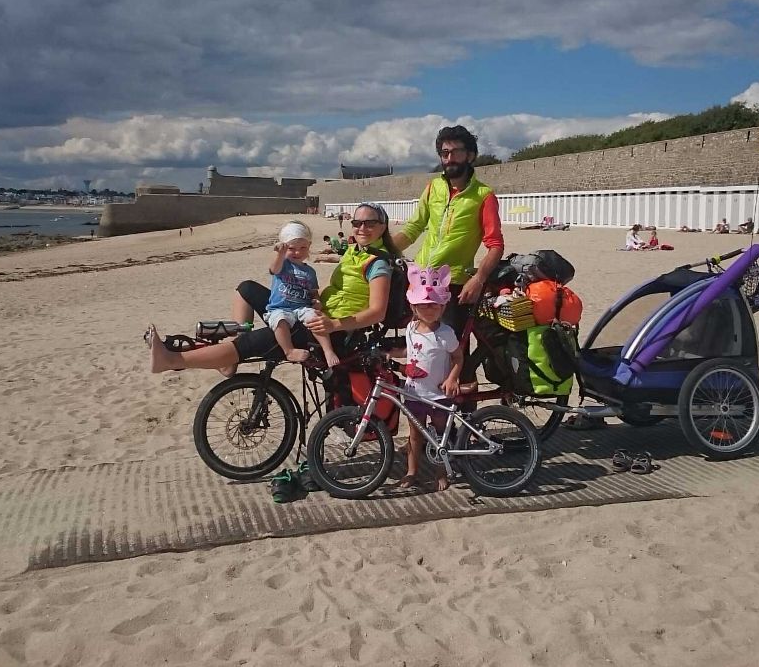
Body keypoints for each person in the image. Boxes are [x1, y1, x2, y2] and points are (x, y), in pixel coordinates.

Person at [148, 202, 398, 375]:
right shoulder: (355, 251)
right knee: (246, 288)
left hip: (328, 330)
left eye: (370, 223)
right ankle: (227, 361)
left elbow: (377, 313)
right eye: (357, 222)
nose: (362, 228)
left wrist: (334, 324)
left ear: (382, 227)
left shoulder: (378, 264)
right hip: (311, 311)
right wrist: (315, 297)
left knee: (254, 343)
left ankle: (171, 361)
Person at [391, 125, 504, 341]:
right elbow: (413, 228)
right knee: (420, 343)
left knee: (451, 348)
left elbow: (495, 244)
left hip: (453, 285)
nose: (449, 158)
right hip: (420, 279)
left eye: (456, 152)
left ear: (470, 156)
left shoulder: (483, 195)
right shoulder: (433, 187)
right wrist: (381, 250)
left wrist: (478, 279)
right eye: (444, 153)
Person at [390, 263, 463, 491]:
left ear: (442, 307)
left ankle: (442, 471)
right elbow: (411, 350)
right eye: (423, 305)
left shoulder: (445, 333)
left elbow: (458, 357)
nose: (428, 309)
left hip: (438, 395)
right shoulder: (411, 328)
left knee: (440, 435)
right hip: (414, 393)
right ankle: (412, 472)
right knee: (414, 435)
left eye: (434, 305)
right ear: (413, 307)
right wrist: (391, 354)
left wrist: (452, 379)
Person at [263, 222, 338, 367]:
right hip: (281, 307)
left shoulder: (309, 271)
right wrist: (279, 253)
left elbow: (313, 291)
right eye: (292, 249)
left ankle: (328, 350)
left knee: (315, 318)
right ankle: (289, 350)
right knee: (279, 321)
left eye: (303, 248)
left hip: (302, 307)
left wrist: (316, 301)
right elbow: (273, 268)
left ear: (309, 247)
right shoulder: (283, 264)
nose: (298, 252)